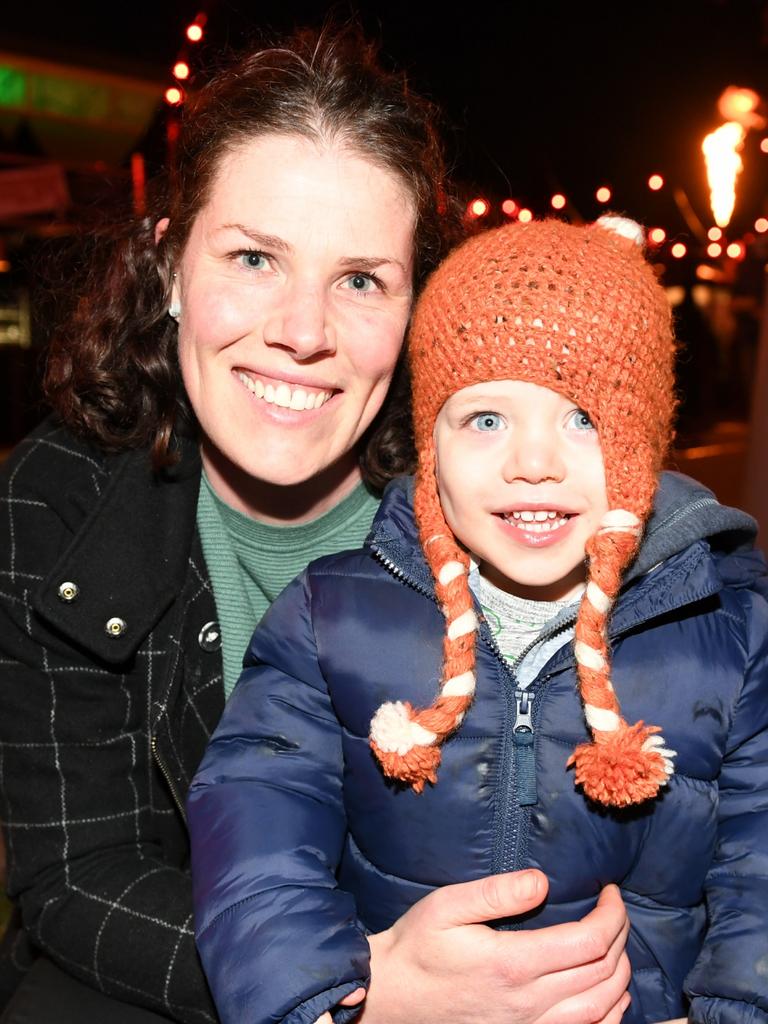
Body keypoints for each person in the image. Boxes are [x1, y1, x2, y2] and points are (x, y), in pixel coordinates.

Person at [0, 28, 632, 1024]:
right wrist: (347, 986)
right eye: (254, 257)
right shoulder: (57, 500)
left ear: (419, 308)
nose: (302, 331)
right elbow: (79, 872)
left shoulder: (517, 506)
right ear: (170, 265)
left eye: (360, 280)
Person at [188, 217, 768, 1024]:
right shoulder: (332, 618)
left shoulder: (733, 632)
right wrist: (314, 999)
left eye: (583, 419)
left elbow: (761, 862)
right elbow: (256, 818)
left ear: (644, 441)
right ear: (431, 448)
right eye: (486, 421)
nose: (534, 462)